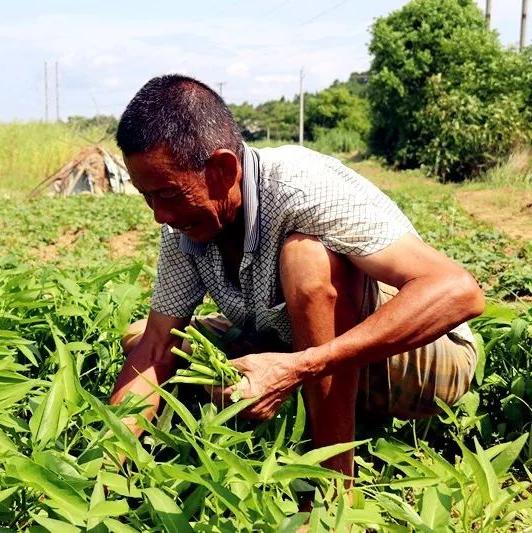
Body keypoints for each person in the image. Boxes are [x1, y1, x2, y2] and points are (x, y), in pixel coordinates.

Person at [109, 74, 484, 480]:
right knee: (142, 337)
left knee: (306, 258)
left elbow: (459, 292)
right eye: (146, 196)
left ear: (222, 169)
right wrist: (101, 468)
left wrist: (299, 367)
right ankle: (281, 412)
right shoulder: (184, 224)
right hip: (298, 341)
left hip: (424, 362)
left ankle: (332, 487)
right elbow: (156, 349)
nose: (158, 215)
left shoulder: (298, 189)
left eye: (167, 194)